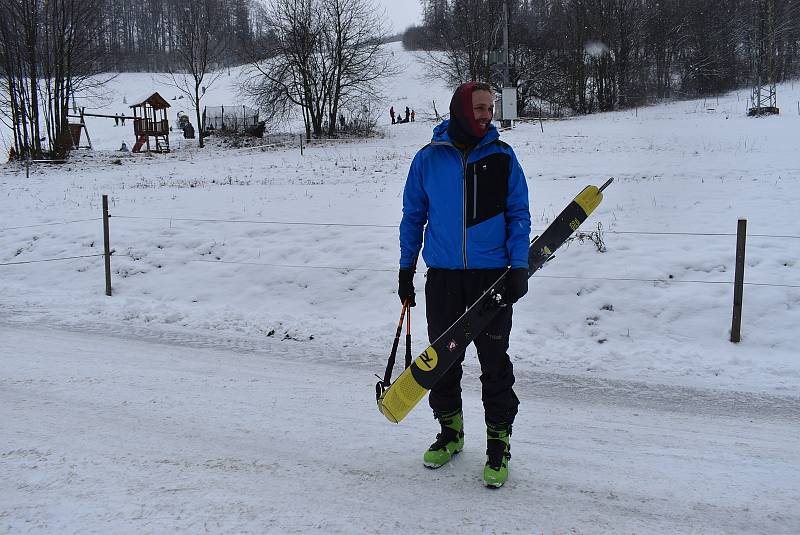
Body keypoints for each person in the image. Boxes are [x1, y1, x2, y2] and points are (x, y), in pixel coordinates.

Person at [397, 81, 530, 488]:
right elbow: (412, 215)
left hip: (491, 278)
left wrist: (519, 266)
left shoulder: (503, 157)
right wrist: (406, 269)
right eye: (480, 108)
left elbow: (518, 214)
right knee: (442, 361)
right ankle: (451, 433)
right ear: (460, 110)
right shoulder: (428, 159)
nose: (488, 114)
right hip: (444, 280)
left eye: (490, 107)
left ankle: (498, 443)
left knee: (494, 363)